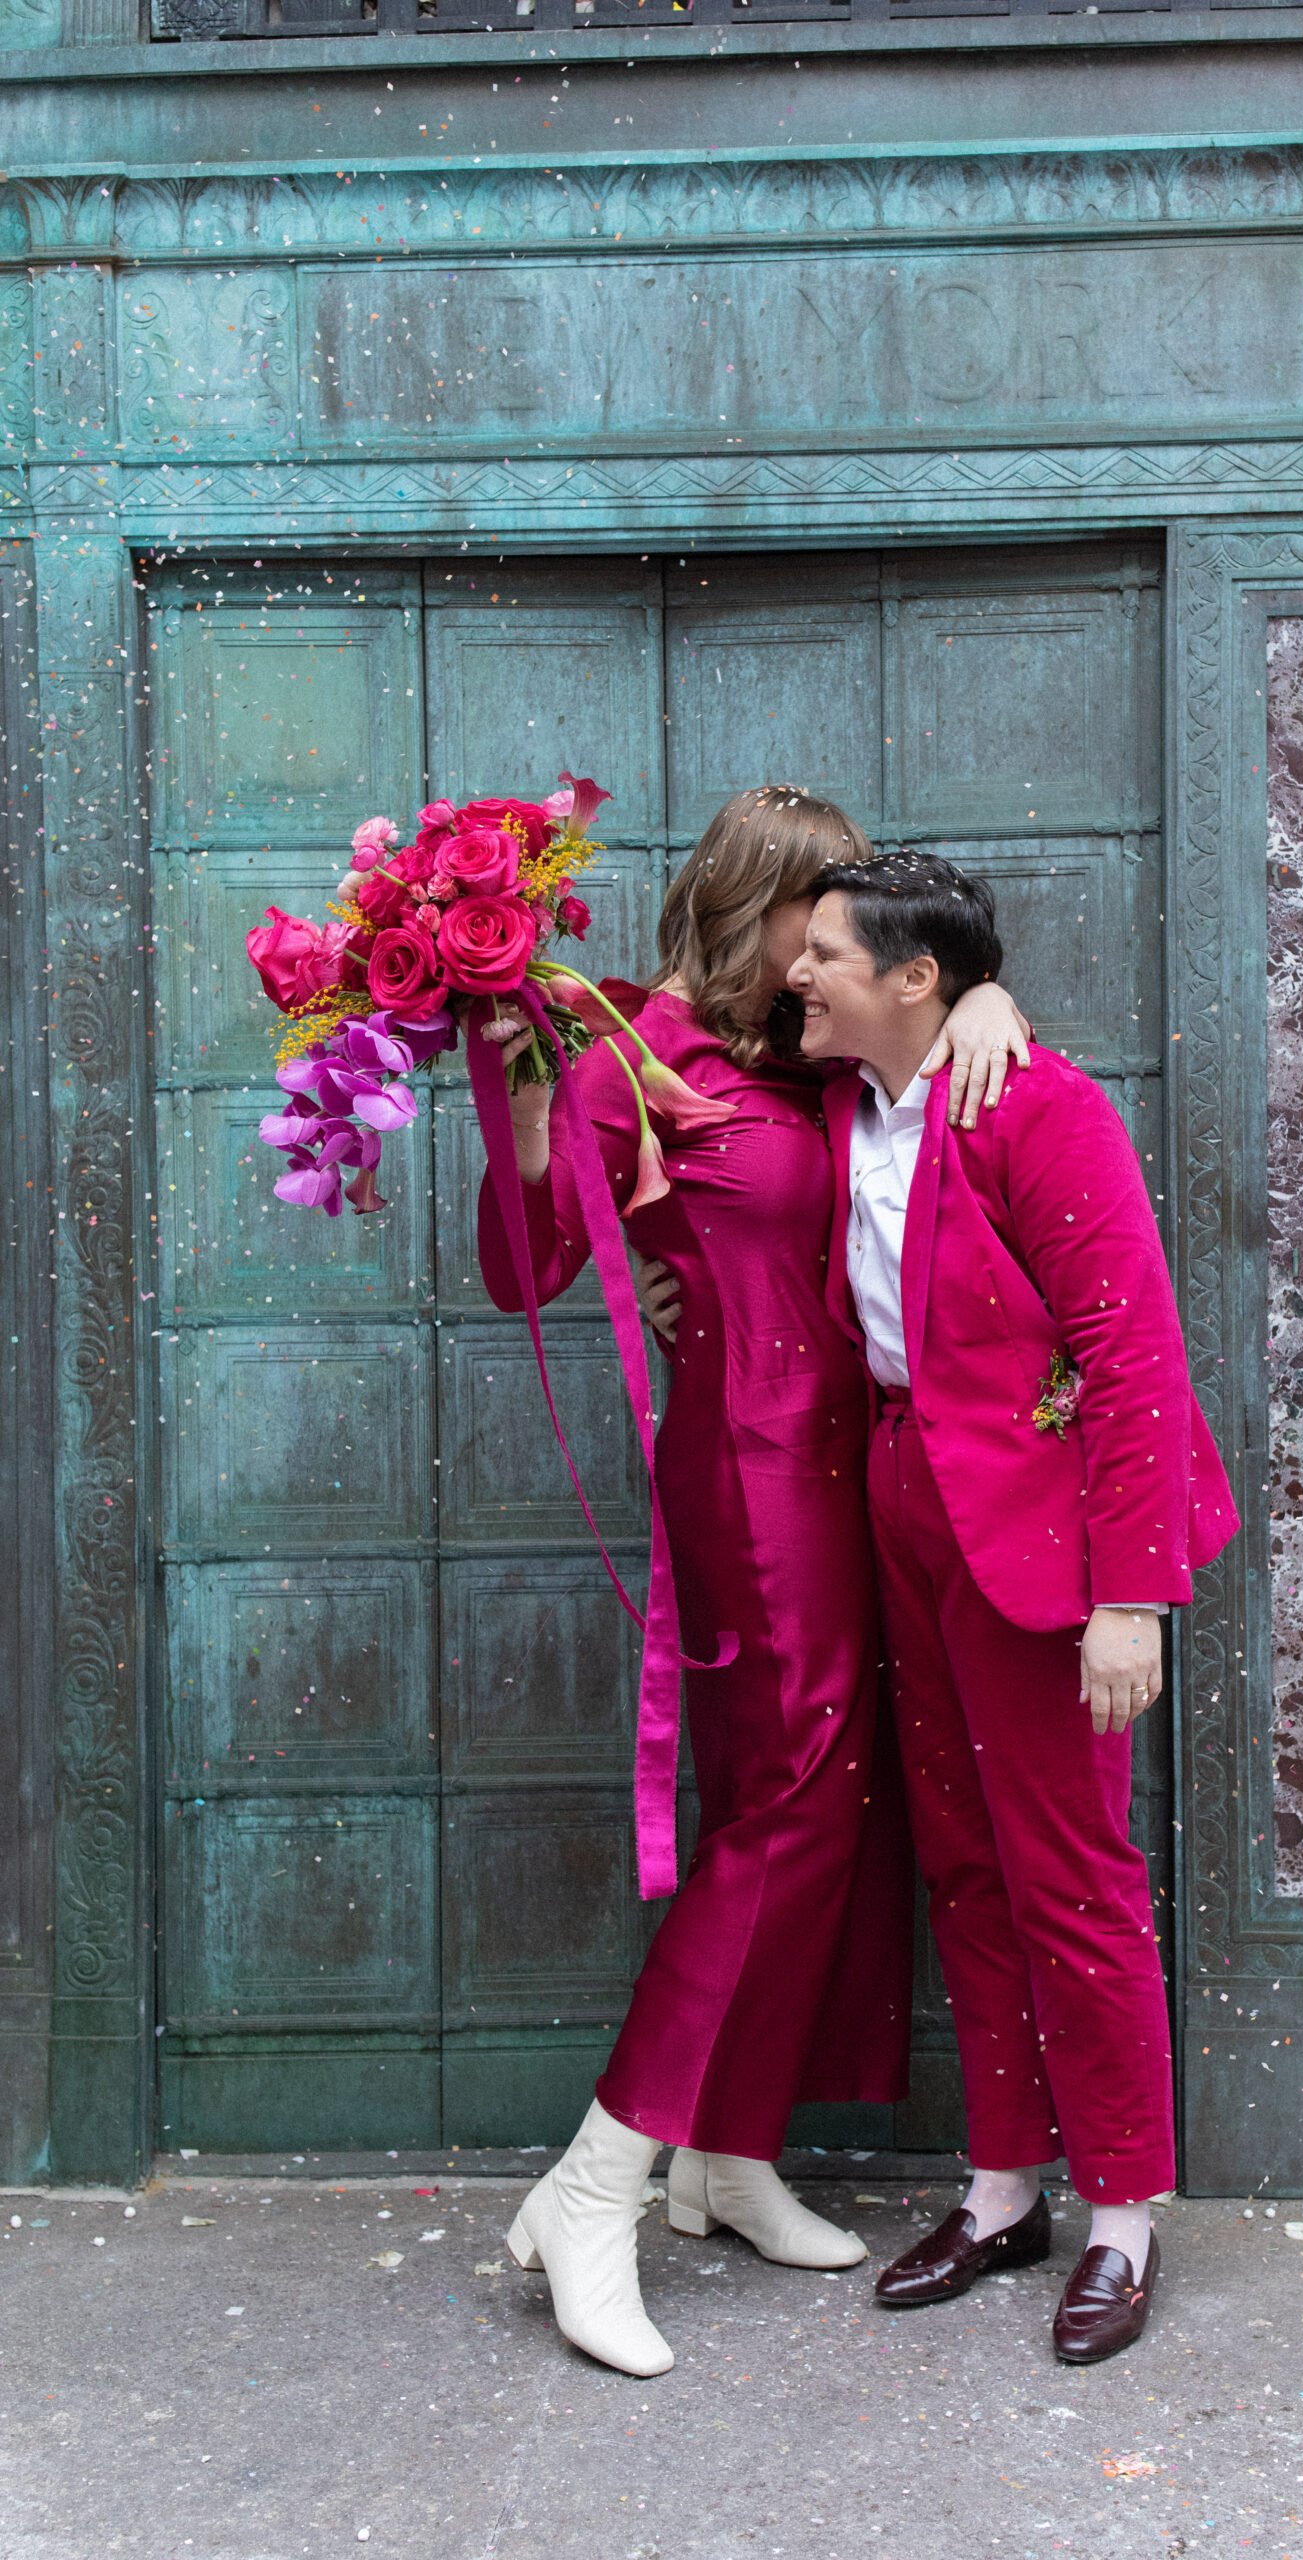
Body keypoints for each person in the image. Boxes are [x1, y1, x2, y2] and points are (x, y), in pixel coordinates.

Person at [472, 788, 1032, 2380]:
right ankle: (597, 2184)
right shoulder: (621, 1059)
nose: (840, 947)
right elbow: (525, 1274)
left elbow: (931, 1013)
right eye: (824, 915)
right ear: (760, 912)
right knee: (789, 1802)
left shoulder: (828, 1054)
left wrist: (984, 986)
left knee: (819, 1805)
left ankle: (727, 2156)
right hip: (749, 1474)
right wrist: (525, 1127)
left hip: (866, 1469)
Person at [788, 849, 1239, 2367]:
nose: (800, 973)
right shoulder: (843, 1096)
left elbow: (1133, 1358)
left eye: (827, 955)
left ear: (912, 980)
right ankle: (1004, 2191)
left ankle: (1122, 2213)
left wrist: (1133, 1597)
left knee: (1073, 1878)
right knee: (966, 1868)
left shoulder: (1044, 1108)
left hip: (1047, 1540)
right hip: (909, 1505)